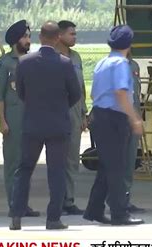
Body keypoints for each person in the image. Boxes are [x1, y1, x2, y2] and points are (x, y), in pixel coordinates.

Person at [9, 21, 81, 230]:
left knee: (24, 170)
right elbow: (75, 93)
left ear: (40, 37)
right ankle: (53, 219)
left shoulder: (24, 62)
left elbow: (20, 92)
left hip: (32, 124)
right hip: (58, 125)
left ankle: (16, 215)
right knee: (56, 172)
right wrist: (60, 107)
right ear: (58, 38)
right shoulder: (65, 63)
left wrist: (33, 105)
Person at [83, 25, 144, 226]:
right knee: (117, 167)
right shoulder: (120, 64)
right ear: (129, 44)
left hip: (100, 116)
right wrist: (134, 118)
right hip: (114, 118)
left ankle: (94, 209)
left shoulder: (102, 63)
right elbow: (121, 93)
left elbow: (93, 94)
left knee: (107, 166)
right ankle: (120, 213)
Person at [0, 19, 39, 217]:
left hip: (31, 120)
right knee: (13, 163)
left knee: (27, 164)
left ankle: (23, 203)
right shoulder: (4, 64)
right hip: (13, 121)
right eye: (25, 37)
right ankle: (14, 205)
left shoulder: (31, 62)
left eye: (29, 37)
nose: (28, 40)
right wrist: (2, 121)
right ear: (15, 40)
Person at [56, 20, 87, 215]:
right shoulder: (51, 57)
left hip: (75, 111)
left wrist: (84, 112)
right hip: (58, 110)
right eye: (71, 34)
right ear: (59, 36)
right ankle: (58, 200)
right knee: (58, 157)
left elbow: (81, 87)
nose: (74, 37)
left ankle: (69, 199)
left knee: (72, 159)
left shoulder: (76, 57)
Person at [124, 56, 146, 214]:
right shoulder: (110, 66)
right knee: (118, 163)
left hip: (133, 119)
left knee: (130, 162)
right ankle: (115, 200)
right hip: (118, 119)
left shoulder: (134, 65)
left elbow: (136, 95)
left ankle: (125, 199)